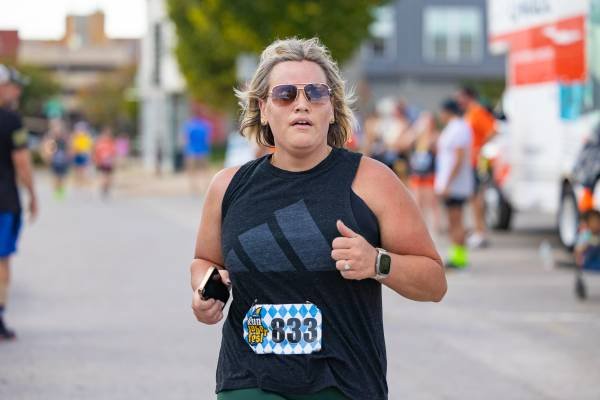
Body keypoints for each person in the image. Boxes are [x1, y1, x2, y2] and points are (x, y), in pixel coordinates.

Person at [190, 38, 446, 400]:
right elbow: (205, 260)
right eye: (285, 95)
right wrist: (206, 290)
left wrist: (377, 262)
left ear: (333, 109)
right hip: (247, 380)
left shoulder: (373, 181)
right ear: (264, 109)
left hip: (343, 383)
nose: (301, 104)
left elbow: (434, 282)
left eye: (315, 93)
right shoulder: (228, 186)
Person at [0, 64, 37, 340]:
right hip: (4, 201)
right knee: (2, 259)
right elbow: (22, 162)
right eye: (13, 86)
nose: (17, 92)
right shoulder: (11, 120)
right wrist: (33, 194)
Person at [434, 99, 474, 269]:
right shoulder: (454, 128)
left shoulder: (458, 128)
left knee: (456, 221)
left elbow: (458, 158)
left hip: (455, 185)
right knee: (453, 222)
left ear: (447, 111)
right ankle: (457, 256)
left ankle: (460, 259)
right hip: (451, 183)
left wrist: (448, 183)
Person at [455, 86, 496, 249]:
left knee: (477, 197)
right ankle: (479, 230)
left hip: (477, 161)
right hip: (471, 161)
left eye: (460, 97)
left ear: (468, 97)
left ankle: (480, 232)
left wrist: (479, 148)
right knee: (474, 197)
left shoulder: (477, 111)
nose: (458, 101)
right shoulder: (470, 113)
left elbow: (492, 131)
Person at [408, 111, 441, 233]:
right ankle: (421, 226)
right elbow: (405, 143)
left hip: (430, 173)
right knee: (417, 202)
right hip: (417, 173)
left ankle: (435, 227)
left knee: (432, 202)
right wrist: (416, 130)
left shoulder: (435, 136)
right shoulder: (417, 136)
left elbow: (436, 149)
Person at [183, 111, 213, 193]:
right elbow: (207, 139)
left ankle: (193, 186)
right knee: (205, 169)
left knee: (192, 170)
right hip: (203, 150)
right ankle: (207, 185)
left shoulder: (189, 125)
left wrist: (186, 151)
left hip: (191, 150)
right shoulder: (205, 125)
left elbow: (186, 139)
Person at [93, 126, 117, 198]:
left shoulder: (111, 142)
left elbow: (114, 153)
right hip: (102, 162)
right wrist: (96, 161)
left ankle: (106, 188)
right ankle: (104, 188)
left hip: (109, 162)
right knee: (104, 176)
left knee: (109, 177)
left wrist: (114, 161)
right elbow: (96, 152)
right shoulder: (100, 143)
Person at [70, 121, 93, 186]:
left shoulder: (86, 137)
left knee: (83, 169)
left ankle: (81, 182)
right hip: (78, 154)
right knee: (77, 169)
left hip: (83, 154)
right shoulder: (75, 137)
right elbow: (73, 146)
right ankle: (78, 182)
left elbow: (89, 146)